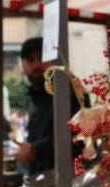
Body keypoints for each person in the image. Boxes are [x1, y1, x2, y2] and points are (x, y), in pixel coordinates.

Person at [15, 37, 84, 175]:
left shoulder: (67, 90)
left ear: (53, 60)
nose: (36, 65)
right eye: (30, 60)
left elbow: (77, 133)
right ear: (23, 64)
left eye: (42, 58)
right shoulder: (36, 95)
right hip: (43, 181)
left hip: (68, 181)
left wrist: (35, 150)